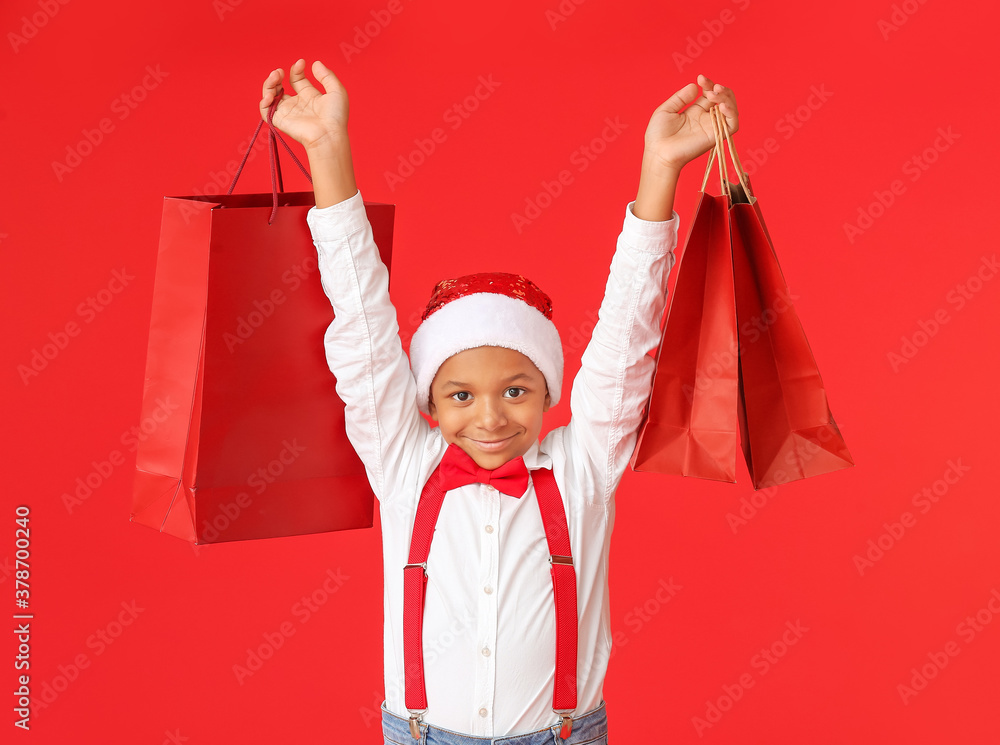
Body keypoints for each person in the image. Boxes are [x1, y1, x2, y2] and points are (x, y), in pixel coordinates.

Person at [259, 58, 738, 744]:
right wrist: (328, 150)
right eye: (460, 395)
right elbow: (361, 322)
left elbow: (628, 328)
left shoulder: (583, 466)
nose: (488, 417)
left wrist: (661, 170)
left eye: (515, 390)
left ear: (549, 389)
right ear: (427, 399)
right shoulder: (404, 464)